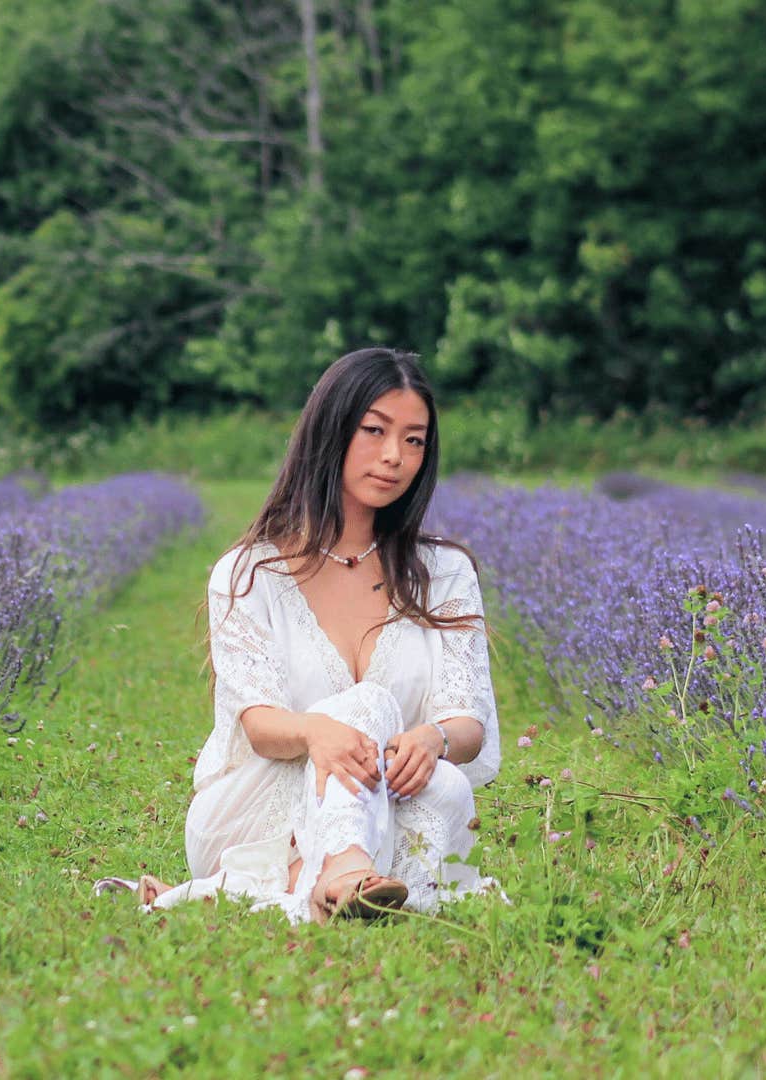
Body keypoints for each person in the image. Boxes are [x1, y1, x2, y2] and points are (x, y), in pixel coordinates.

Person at [115, 347, 503, 923]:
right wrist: (318, 733)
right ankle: (343, 870)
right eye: (375, 431)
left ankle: (293, 894)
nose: (395, 456)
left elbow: (467, 724)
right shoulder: (251, 574)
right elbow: (260, 727)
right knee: (368, 704)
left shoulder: (445, 572)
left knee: (447, 787)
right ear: (331, 431)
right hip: (260, 808)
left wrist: (431, 741)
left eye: (415, 440)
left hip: (391, 801)